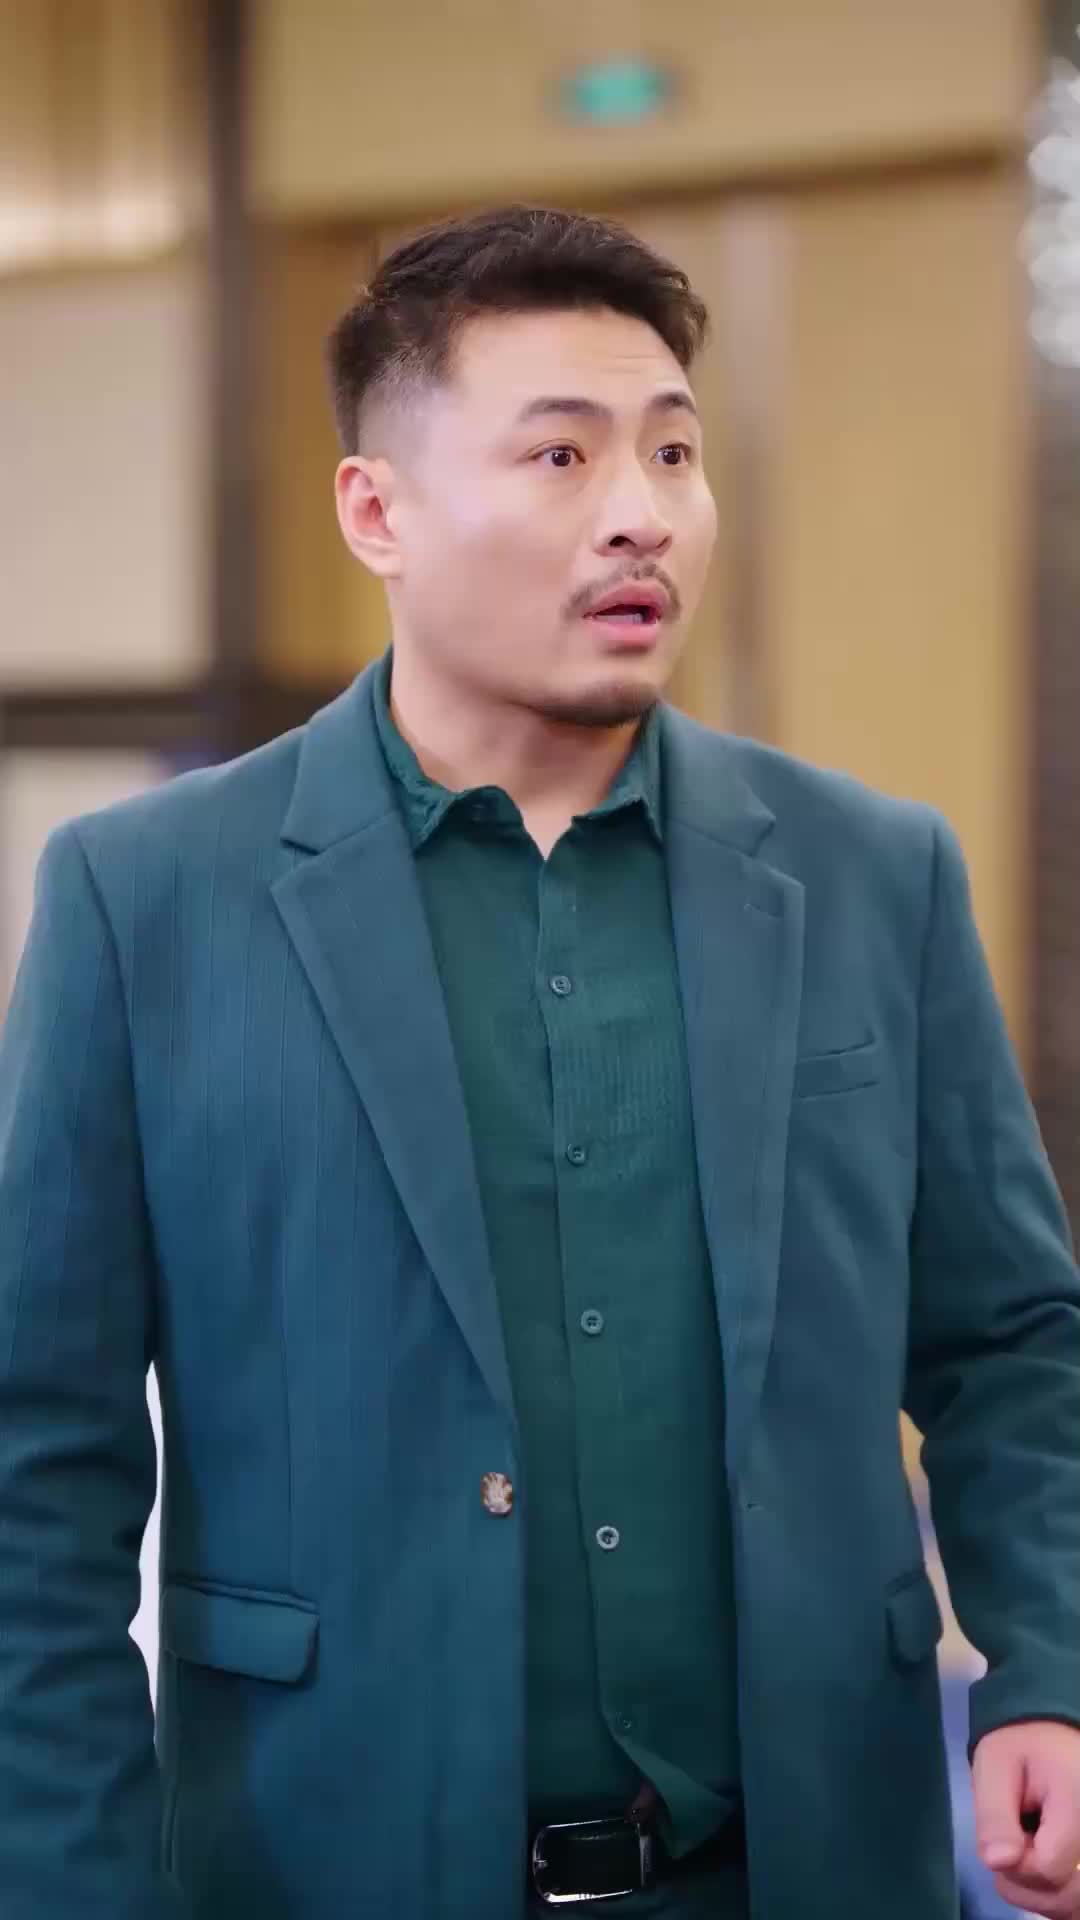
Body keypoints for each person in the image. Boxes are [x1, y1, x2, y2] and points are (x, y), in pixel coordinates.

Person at [0, 204, 1077, 1920]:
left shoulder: (874, 874)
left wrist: (1053, 1667)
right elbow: (32, 1466)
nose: (641, 511)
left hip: (807, 1866)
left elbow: (1012, 1338)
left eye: (674, 452)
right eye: (562, 455)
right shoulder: (149, 904)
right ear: (379, 511)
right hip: (326, 1867)